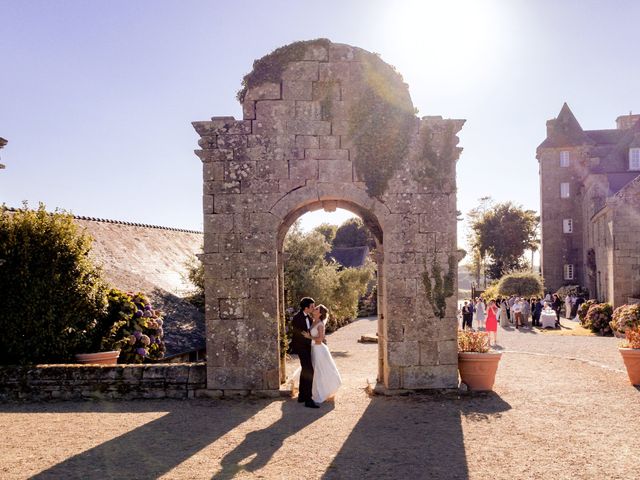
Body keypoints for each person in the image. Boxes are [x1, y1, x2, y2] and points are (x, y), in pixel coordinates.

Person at [309, 304, 342, 403]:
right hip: (313, 349)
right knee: (314, 370)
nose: (314, 309)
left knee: (319, 370)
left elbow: (320, 339)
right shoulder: (313, 322)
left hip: (319, 350)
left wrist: (308, 337)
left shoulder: (320, 324)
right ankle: (314, 391)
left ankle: (321, 392)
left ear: (320, 313)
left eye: (316, 308)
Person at [291, 297, 320, 408]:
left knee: (305, 370)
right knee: (309, 370)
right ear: (306, 307)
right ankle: (308, 399)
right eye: (312, 306)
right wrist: (311, 340)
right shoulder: (297, 318)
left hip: (308, 347)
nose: (314, 308)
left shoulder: (308, 317)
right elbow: (299, 335)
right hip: (301, 348)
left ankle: (302, 396)